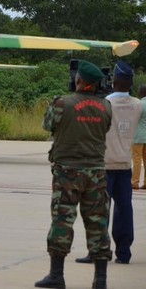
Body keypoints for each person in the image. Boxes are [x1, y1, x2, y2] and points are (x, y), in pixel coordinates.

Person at [34, 60, 112, 289]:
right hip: (96, 173)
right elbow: (105, 128)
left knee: (62, 221)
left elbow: (47, 125)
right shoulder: (106, 106)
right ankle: (100, 280)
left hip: (67, 172)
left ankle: (57, 275)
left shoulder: (62, 103)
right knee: (98, 223)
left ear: (78, 80)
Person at [75, 61, 143, 266]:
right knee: (124, 210)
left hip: (103, 164)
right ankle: (124, 252)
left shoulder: (103, 104)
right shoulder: (138, 105)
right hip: (124, 164)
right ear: (130, 83)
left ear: (113, 81)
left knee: (98, 210)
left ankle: (97, 251)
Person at [133, 84, 146, 190]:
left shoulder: (139, 104)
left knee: (137, 159)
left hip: (138, 136)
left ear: (141, 92)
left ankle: (135, 182)